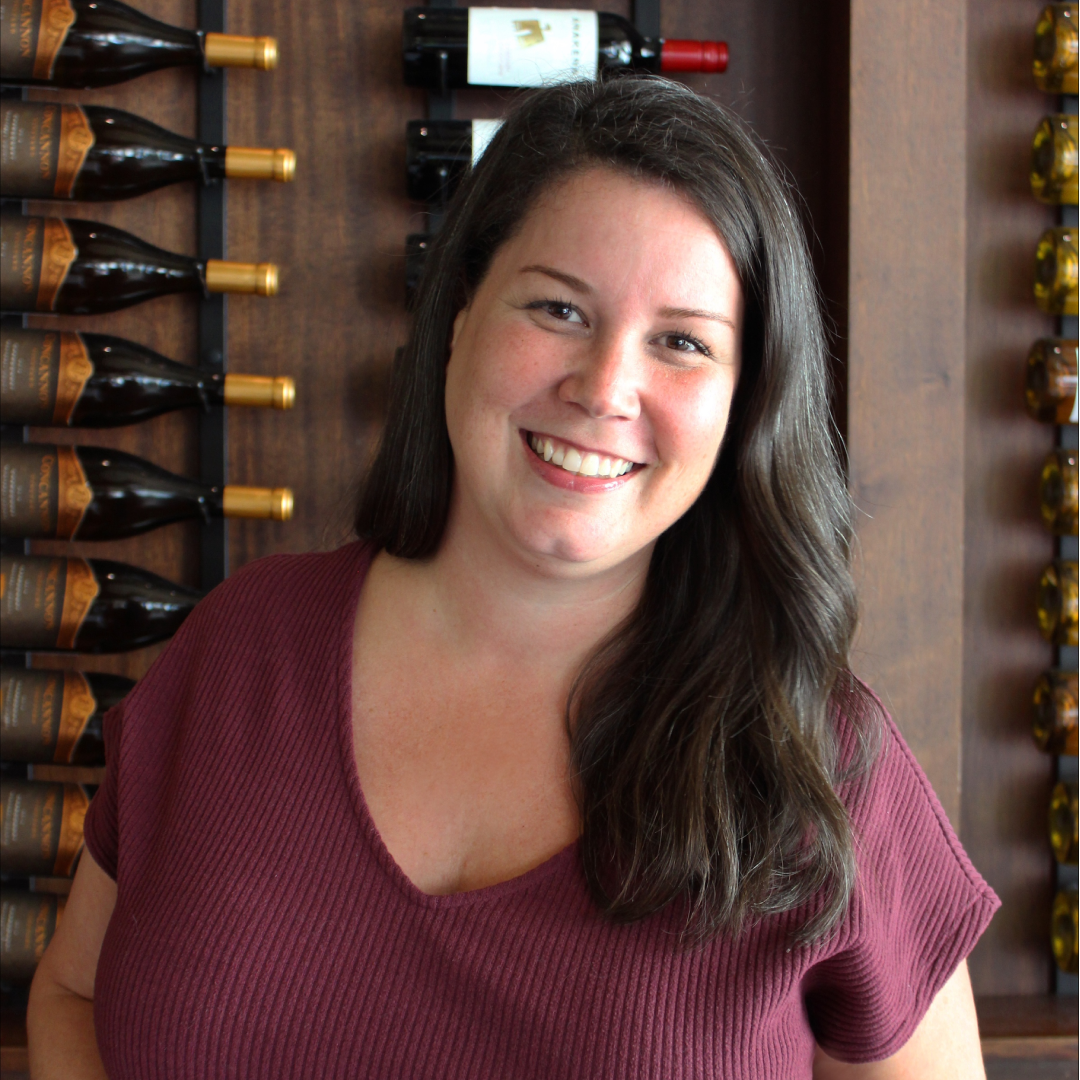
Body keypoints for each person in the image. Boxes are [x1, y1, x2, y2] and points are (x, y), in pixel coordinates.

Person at [27, 77, 997, 1078]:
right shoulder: (243, 648)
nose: (605, 386)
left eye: (681, 342)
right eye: (558, 307)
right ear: (458, 320)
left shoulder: (821, 765)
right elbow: (71, 994)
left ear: (745, 404)